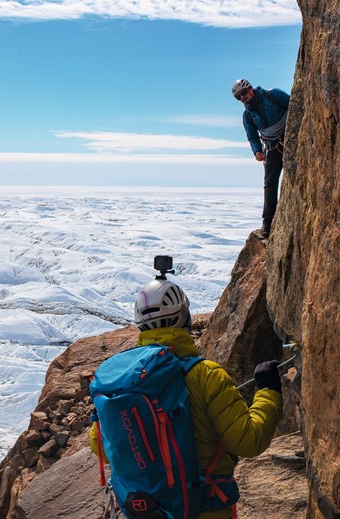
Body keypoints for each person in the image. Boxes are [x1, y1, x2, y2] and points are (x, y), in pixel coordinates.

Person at [91, 275, 283, 519]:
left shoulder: (120, 382)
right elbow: (248, 441)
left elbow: (102, 448)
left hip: (149, 510)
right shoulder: (205, 375)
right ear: (185, 317)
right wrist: (268, 391)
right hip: (205, 510)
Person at [232, 79, 290, 239]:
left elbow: (294, 106)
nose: (242, 98)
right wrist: (257, 151)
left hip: (289, 136)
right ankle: (268, 223)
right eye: (238, 97)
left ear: (250, 89)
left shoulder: (273, 95)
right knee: (270, 184)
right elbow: (252, 136)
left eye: (243, 93)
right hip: (272, 146)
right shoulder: (248, 115)